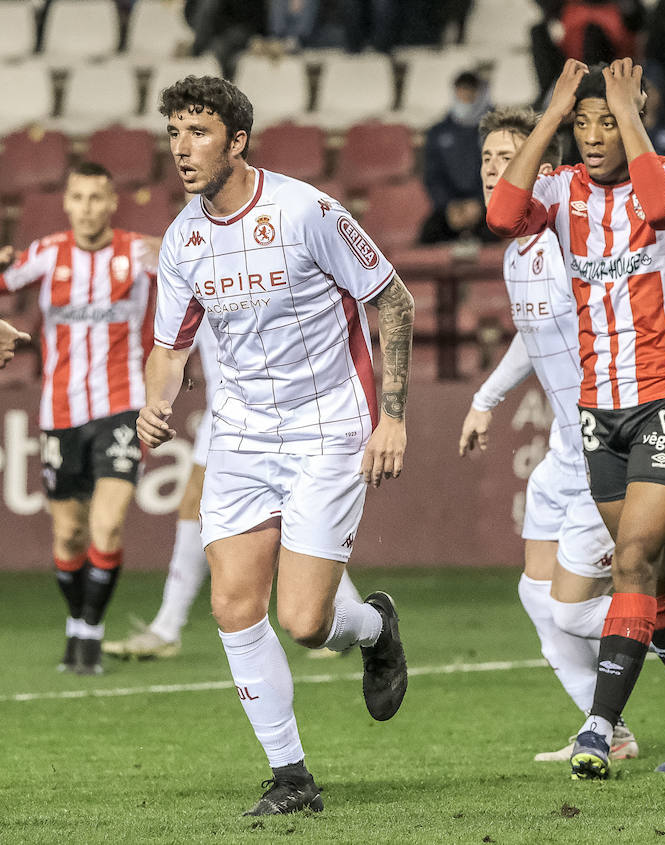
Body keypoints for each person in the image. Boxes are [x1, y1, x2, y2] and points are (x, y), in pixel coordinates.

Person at [138, 75, 414, 816]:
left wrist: (393, 414)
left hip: (327, 429)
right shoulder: (184, 239)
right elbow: (169, 346)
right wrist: (155, 402)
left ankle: (375, 624)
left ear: (237, 140)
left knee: (305, 621)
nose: (182, 149)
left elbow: (392, 297)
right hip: (241, 435)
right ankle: (291, 774)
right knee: (232, 603)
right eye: (173, 133)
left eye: (197, 133)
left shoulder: (307, 210)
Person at [461, 106, 665, 761]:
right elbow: (534, 336)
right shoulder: (522, 251)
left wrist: (624, 116)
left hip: (651, 404)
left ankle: (607, 725)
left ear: (544, 167)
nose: (493, 170)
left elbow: (661, 211)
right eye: (485, 159)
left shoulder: (573, 224)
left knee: (584, 602)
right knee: (563, 589)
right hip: (578, 442)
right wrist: (486, 397)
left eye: (505, 157)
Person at [104, 324, 366, 660]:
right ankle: (166, 626)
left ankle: (344, 611)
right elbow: (171, 347)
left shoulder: (220, 276)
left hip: (270, 411)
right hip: (228, 409)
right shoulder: (192, 278)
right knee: (196, 504)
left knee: (287, 514)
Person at [0, 161, 159, 677]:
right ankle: (77, 620)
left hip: (122, 405)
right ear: (66, 204)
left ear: (113, 203)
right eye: (79, 198)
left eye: (97, 198)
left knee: (107, 523)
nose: (88, 208)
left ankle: (90, 629)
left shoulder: (137, 252)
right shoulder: (46, 255)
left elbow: (196, 275)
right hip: (60, 411)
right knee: (68, 535)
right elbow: (5, 277)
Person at [420, 72, 492, 245]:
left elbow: (502, 172)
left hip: (488, 207)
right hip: (450, 210)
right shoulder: (438, 132)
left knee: (495, 234)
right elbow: (432, 175)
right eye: (461, 93)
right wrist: (449, 206)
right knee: (428, 235)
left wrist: (480, 204)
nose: (465, 98)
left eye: (470, 93)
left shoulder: (494, 130)